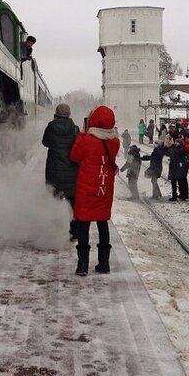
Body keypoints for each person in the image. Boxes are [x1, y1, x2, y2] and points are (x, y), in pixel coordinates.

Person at [69, 105, 120, 276]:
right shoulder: (115, 141)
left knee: (83, 223)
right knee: (102, 222)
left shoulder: (87, 139)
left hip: (86, 189)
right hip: (104, 188)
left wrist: (82, 133)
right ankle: (104, 263)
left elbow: (74, 156)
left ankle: (83, 265)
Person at [42, 103, 79, 238]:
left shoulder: (50, 127)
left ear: (56, 115)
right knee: (73, 204)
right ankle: (74, 232)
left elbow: (45, 143)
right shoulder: (75, 129)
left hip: (54, 172)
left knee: (54, 202)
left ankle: (55, 232)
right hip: (71, 173)